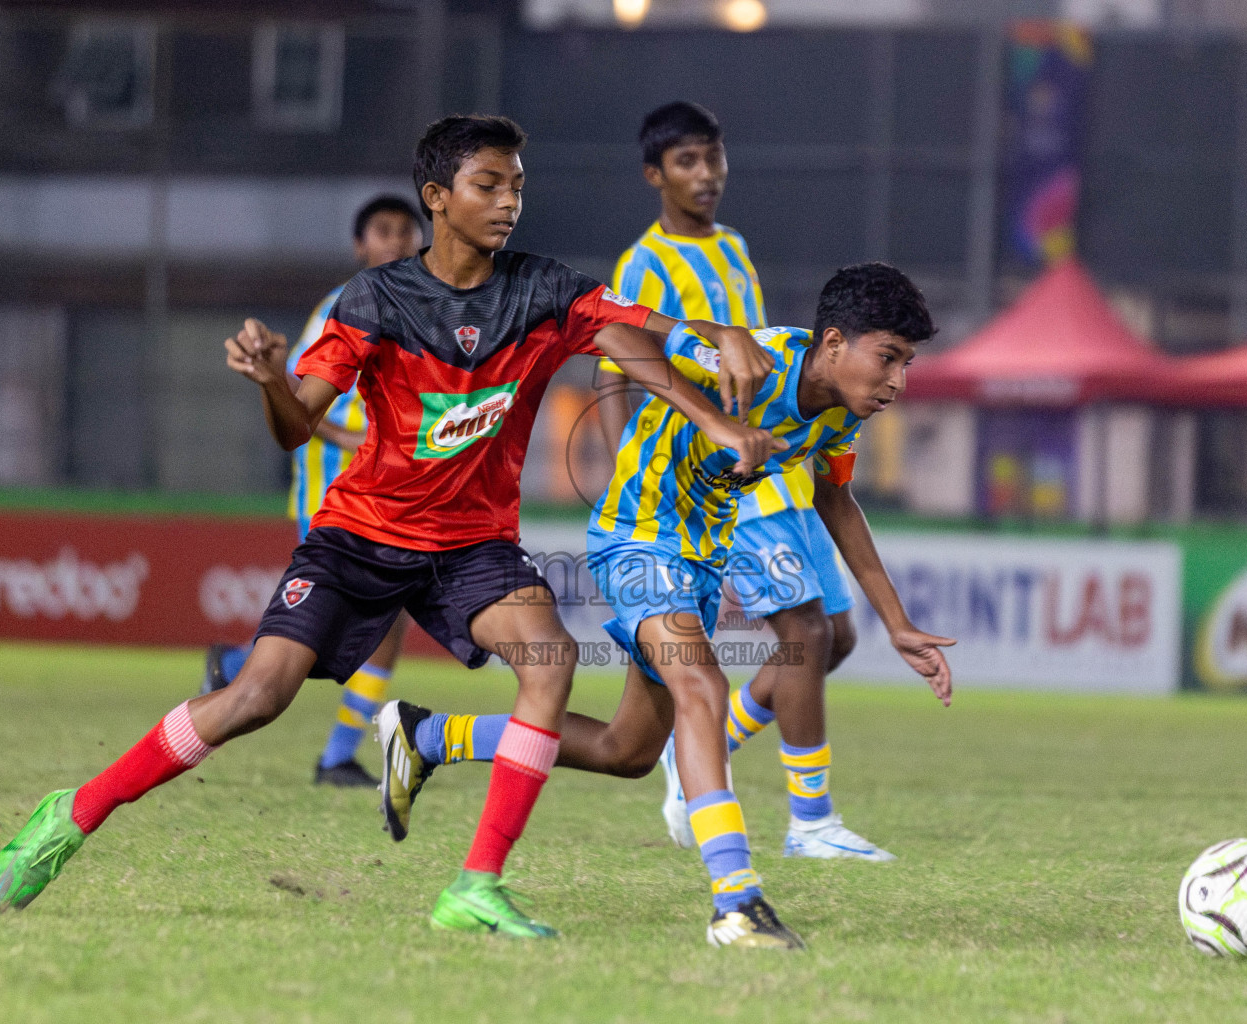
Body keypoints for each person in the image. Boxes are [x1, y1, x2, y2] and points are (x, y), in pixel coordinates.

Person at [0, 115, 778, 940]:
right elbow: (297, 429)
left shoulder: (544, 289)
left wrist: (712, 353)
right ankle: (73, 813)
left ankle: (475, 885)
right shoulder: (376, 298)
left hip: (471, 546)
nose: (508, 202)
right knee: (256, 698)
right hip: (358, 538)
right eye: (488, 185)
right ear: (438, 198)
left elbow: (631, 336)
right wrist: (269, 380)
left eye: (516, 186)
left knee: (551, 661)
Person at [382, 263, 955, 949]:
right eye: (887, 358)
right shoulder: (752, 360)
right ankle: (736, 903)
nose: (896, 382)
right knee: (701, 685)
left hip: (699, 562)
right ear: (832, 342)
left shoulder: (838, 414)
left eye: (905, 364)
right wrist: (710, 398)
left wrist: (895, 622)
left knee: (627, 751)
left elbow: (836, 501)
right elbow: (619, 332)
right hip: (636, 538)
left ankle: (426, 736)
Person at [596, 101, 884, 860]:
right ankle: (810, 824)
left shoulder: (735, 248)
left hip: (779, 462)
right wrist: (612, 467)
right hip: (713, 472)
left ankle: (697, 747)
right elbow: (612, 363)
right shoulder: (644, 263)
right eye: (687, 162)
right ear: (654, 174)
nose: (707, 175)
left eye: (714, 158)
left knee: (836, 637)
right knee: (802, 632)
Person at [202, 194, 425, 789]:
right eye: (383, 231)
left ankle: (334, 756)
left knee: (380, 627)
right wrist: (354, 440)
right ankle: (250, 682)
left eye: (407, 230)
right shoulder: (341, 306)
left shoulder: (420, 310)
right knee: (339, 630)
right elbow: (294, 390)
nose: (397, 241)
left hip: (390, 499)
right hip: (332, 498)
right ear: (360, 246)